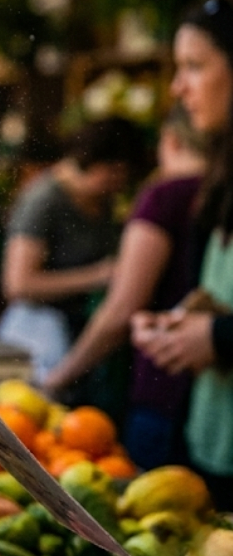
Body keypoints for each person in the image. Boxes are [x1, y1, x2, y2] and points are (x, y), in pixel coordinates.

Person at [43, 108, 207, 469]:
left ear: (172, 140)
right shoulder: (218, 193)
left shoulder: (165, 198)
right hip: (211, 396)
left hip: (163, 389)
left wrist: (61, 376)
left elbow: (121, 310)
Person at [133, 0, 233, 509]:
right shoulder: (220, 178)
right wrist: (181, 322)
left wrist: (217, 336)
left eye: (194, 66)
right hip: (214, 445)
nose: (178, 87)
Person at [0, 117, 144, 390]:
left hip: (82, 337)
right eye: (116, 173)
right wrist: (97, 275)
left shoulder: (102, 200)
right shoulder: (43, 200)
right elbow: (18, 284)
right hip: (44, 337)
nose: (119, 184)